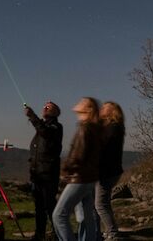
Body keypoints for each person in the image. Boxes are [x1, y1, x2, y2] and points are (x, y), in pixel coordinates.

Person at [52, 97, 102, 241]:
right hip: (90, 178)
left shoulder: (85, 127)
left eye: (82, 102)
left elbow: (77, 155)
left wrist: (65, 172)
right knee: (87, 216)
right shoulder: (95, 128)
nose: (78, 103)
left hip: (79, 178)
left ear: (88, 109)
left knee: (59, 215)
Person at [24, 101, 63, 241]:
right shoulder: (44, 127)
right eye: (44, 106)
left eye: (48, 107)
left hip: (48, 175)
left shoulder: (56, 127)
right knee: (39, 207)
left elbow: (45, 132)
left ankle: (58, 234)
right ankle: (39, 234)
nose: (44, 108)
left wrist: (32, 116)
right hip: (37, 175)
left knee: (50, 206)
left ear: (55, 112)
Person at [95, 101, 125, 241]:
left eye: (105, 107)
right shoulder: (113, 127)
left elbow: (102, 148)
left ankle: (113, 233)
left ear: (113, 111)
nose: (102, 109)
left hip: (107, 171)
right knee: (102, 203)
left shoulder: (113, 128)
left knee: (100, 204)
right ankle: (106, 231)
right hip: (109, 170)